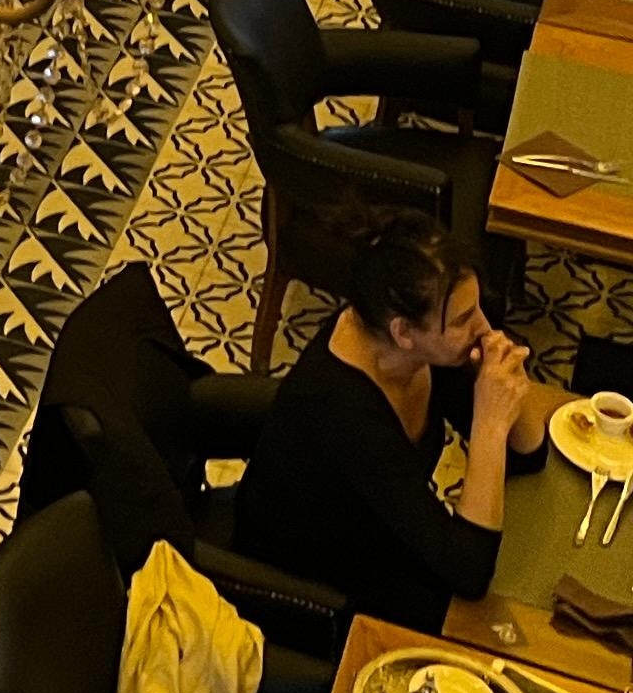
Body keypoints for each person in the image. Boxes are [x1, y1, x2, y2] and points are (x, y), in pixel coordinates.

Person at [229, 212, 547, 637]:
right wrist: (490, 423)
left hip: (384, 533)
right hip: (315, 583)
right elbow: (470, 572)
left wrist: (509, 381)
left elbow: (529, 458)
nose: (484, 328)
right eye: (463, 319)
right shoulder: (344, 412)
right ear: (403, 332)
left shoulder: (419, 347)